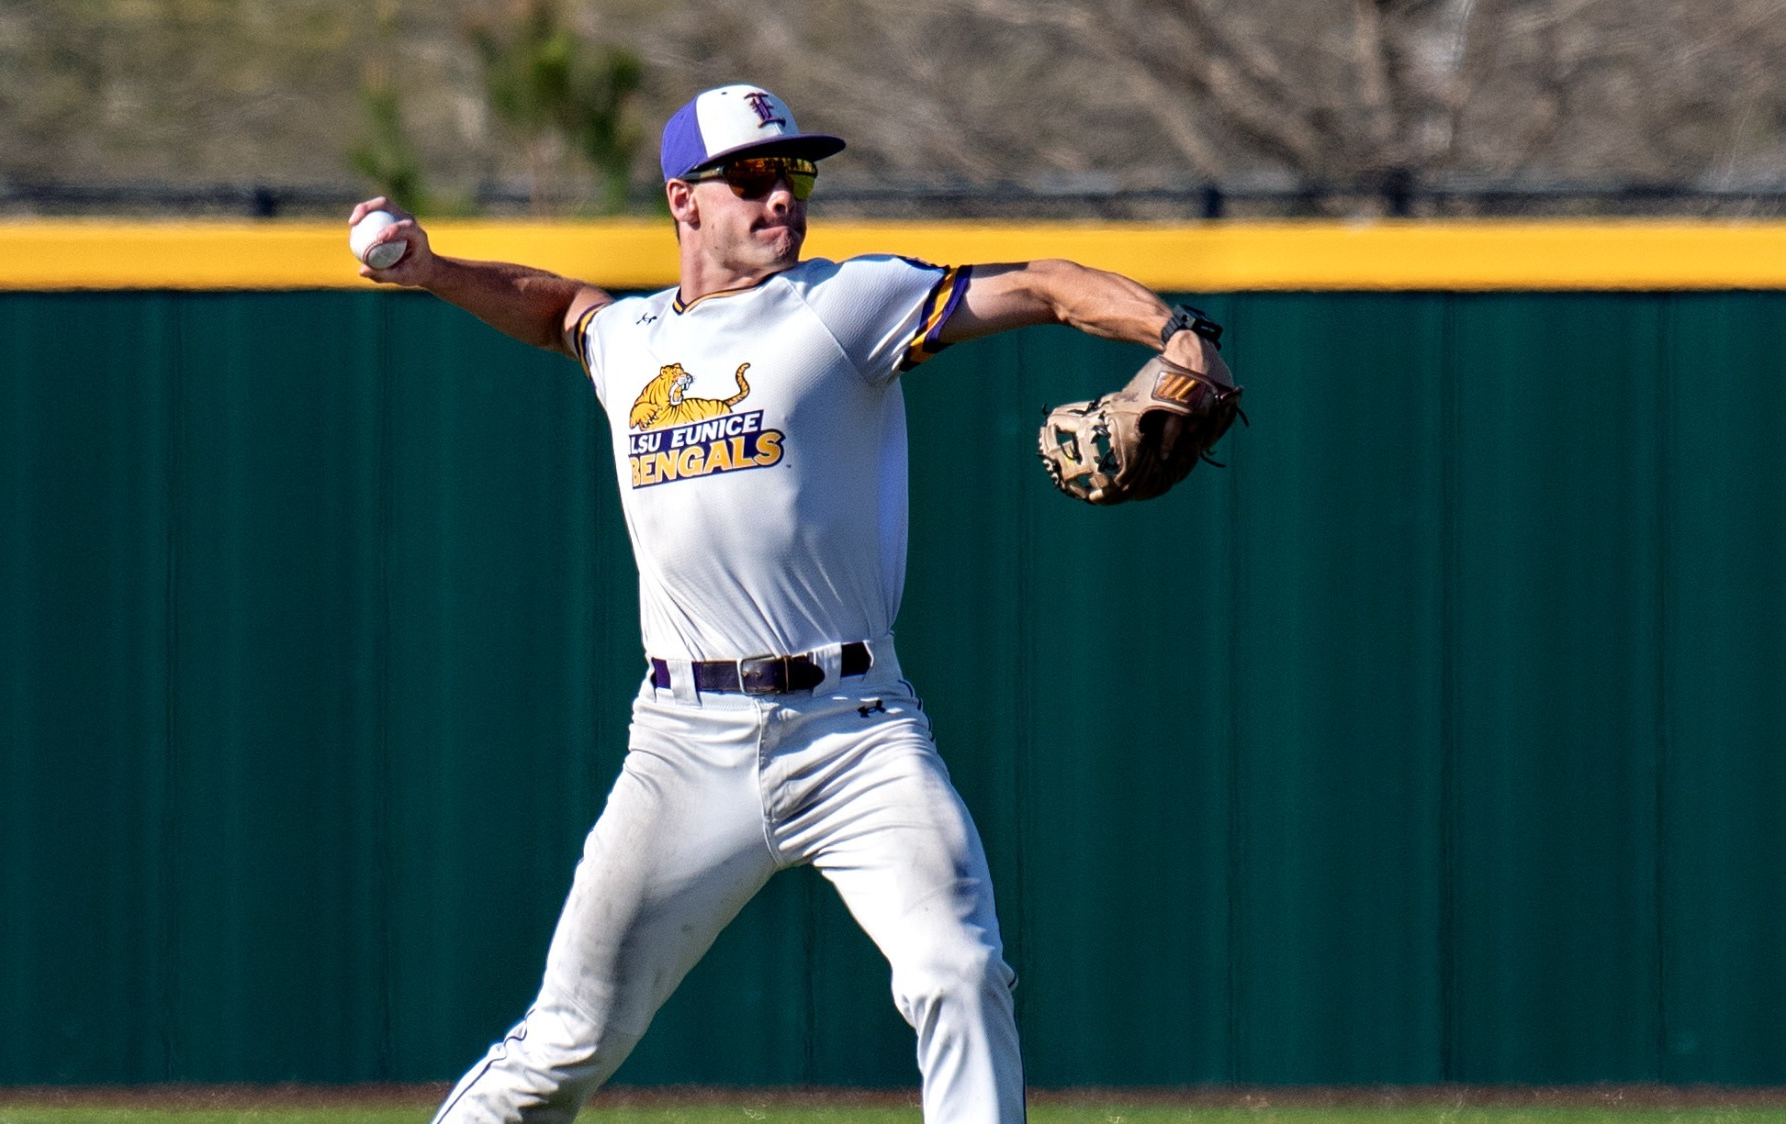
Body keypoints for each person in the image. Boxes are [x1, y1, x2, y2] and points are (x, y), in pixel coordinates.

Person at [350, 83, 1223, 1124]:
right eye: (754, 177)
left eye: (794, 175)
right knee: (566, 1036)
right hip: (682, 741)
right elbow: (558, 310)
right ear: (684, 201)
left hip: (856, 729)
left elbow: (1038, 284)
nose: (782, 200)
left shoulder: (845, 304)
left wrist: (1173, 328)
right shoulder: (631, 342)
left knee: (957, 969)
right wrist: (433, 269)